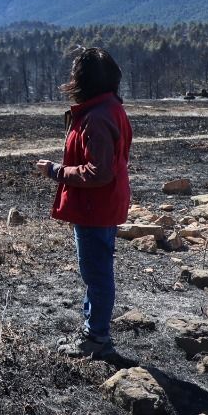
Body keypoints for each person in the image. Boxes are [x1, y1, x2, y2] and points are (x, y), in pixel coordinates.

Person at [34, 47, 133, 359]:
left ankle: (96, 337)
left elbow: (98, 172)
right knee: (97, 270)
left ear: (84, 81)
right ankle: (94, 329)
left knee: (96, 273)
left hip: (95, 208)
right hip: (101, 206)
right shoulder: (108, 109)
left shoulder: (97, 117)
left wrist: (55, 171)